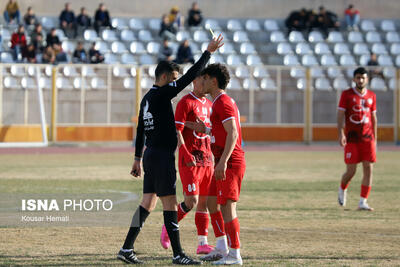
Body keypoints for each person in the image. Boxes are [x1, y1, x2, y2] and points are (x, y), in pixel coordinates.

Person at [117, 34, 224, 265]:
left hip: (150, 154)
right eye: (173, 78)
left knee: (148, 203)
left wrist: (137, 158)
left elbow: (140, 129)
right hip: (162, 156)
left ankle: (126, 248)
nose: (176, 83)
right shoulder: (161, 93)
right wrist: (208, 53)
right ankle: (178, 254)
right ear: (164, 77)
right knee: (168, 204)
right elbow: (188, 78)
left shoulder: (147, 98)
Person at [159, 75, 228, 256]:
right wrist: (185, 152)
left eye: (206, 80)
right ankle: (168, 225)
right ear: (194, 81)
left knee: (204, 203)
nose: (203, 83)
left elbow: (210, 130)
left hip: (207, 160)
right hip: (189, 160)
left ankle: (202, 243)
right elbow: (177, 130)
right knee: (192, 201)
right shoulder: (186, 102)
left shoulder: (210, 104)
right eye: (201, 79)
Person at [185, 63, 246, 265]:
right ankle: (222, 247)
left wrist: (224, 162)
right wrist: (207, 130)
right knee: (217, 203)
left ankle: (234, 254)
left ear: (213, 80)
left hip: (229, 162)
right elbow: (223, 131)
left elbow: (234, 133)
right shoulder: (218, 102)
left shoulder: (222, 102)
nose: (200, 82)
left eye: (203, 78)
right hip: (221, 161)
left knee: (227, 207)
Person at [337, 67, 377, 211]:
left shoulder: (372, 96)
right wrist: (341, 133)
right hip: (352, 139)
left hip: (368, 138)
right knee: (351, 171)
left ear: (367, 79)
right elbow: (340, 115)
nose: (360, 80)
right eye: (358, 77)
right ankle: (342, 188)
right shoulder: (346, 95)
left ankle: (363, 202)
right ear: (354, 79)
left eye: (363, 77)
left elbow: (373, 118)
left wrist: (375, 138)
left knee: (368, 169)